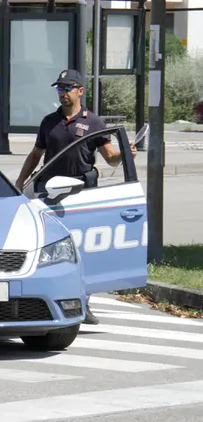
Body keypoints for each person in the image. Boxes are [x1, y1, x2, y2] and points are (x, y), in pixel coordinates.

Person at [14, 69, 137, 325]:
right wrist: (19, 182)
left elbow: (110, 157)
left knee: (83, 248)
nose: (63, 93)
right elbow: (36, 154)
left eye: (68, 88)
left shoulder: (93, 122)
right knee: (52, 247)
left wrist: (126, 153)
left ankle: (84, 302)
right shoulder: (49, 121)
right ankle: (47, 298)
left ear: (80, 91)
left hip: (82, 193)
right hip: (50, 194)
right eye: (60, 88)